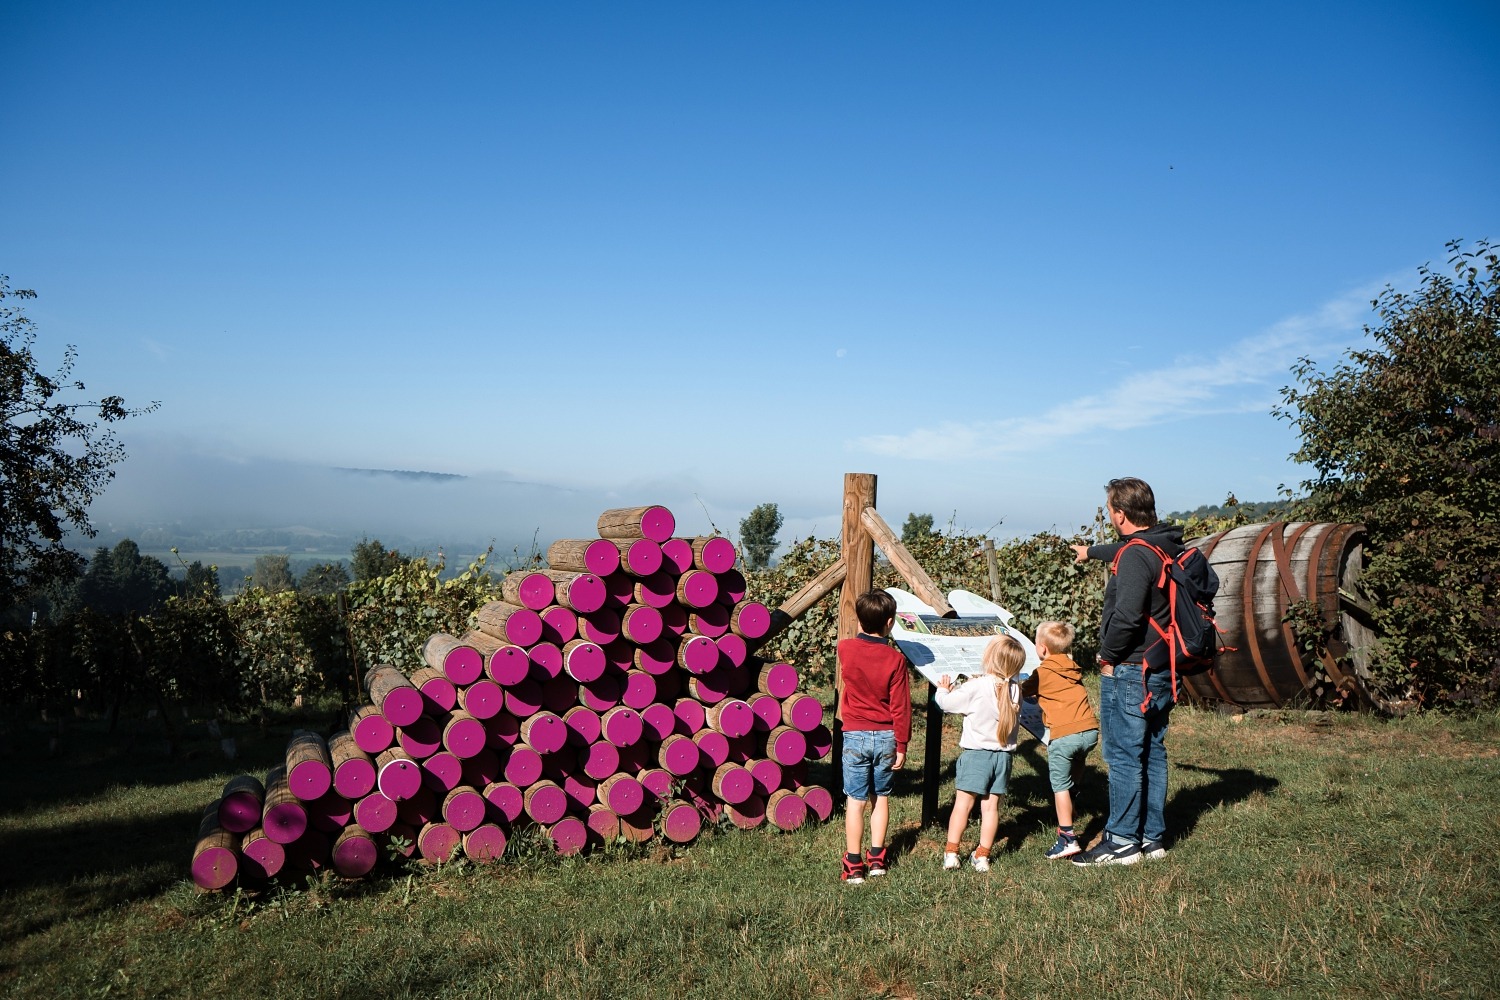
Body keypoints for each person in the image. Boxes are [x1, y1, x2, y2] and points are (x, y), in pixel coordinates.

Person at [1073, 477, 1182, 866]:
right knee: (1152, 750)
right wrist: (1091, 551)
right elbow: (1124, 551)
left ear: (1119, 514)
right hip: (1163, 667)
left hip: (1131, 668)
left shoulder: (1136, 557)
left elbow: (1128, 614)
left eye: (1110, 510)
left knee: (1122, 755)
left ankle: (1120, 840)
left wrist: (1107, 655)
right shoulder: (1165, 543)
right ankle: (1152, 837)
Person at [836, 589, 911, 885]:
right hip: (886, 737)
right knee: (880, 796)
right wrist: (902, 744)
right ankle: (877, 858)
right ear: (890, 623)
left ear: (859, 620)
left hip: (854, 734)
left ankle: (853, 864)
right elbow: (901, 706)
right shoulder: (895, 660)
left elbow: (856, 648)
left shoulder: (845, 649)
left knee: (855, 801)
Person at [934, 633, 1025, 872]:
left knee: (962, 806)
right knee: (991, 809)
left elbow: (947, 704)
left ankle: (952, 853)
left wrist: (943, 690)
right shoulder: (1015, 690)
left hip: (976, 755)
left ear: (989, 658)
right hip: (1003, 758)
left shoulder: (975, 686)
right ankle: (982, 856)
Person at [1019, 621, 1100, 860]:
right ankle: (1074, 793)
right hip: (1089, 731)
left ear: (1042, 649)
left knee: (1059, 786)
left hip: (1064, 736)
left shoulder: (1041, 673)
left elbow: (1023, 691)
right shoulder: (1073, 667)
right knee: (1077, 759)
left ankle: (1067, 838)